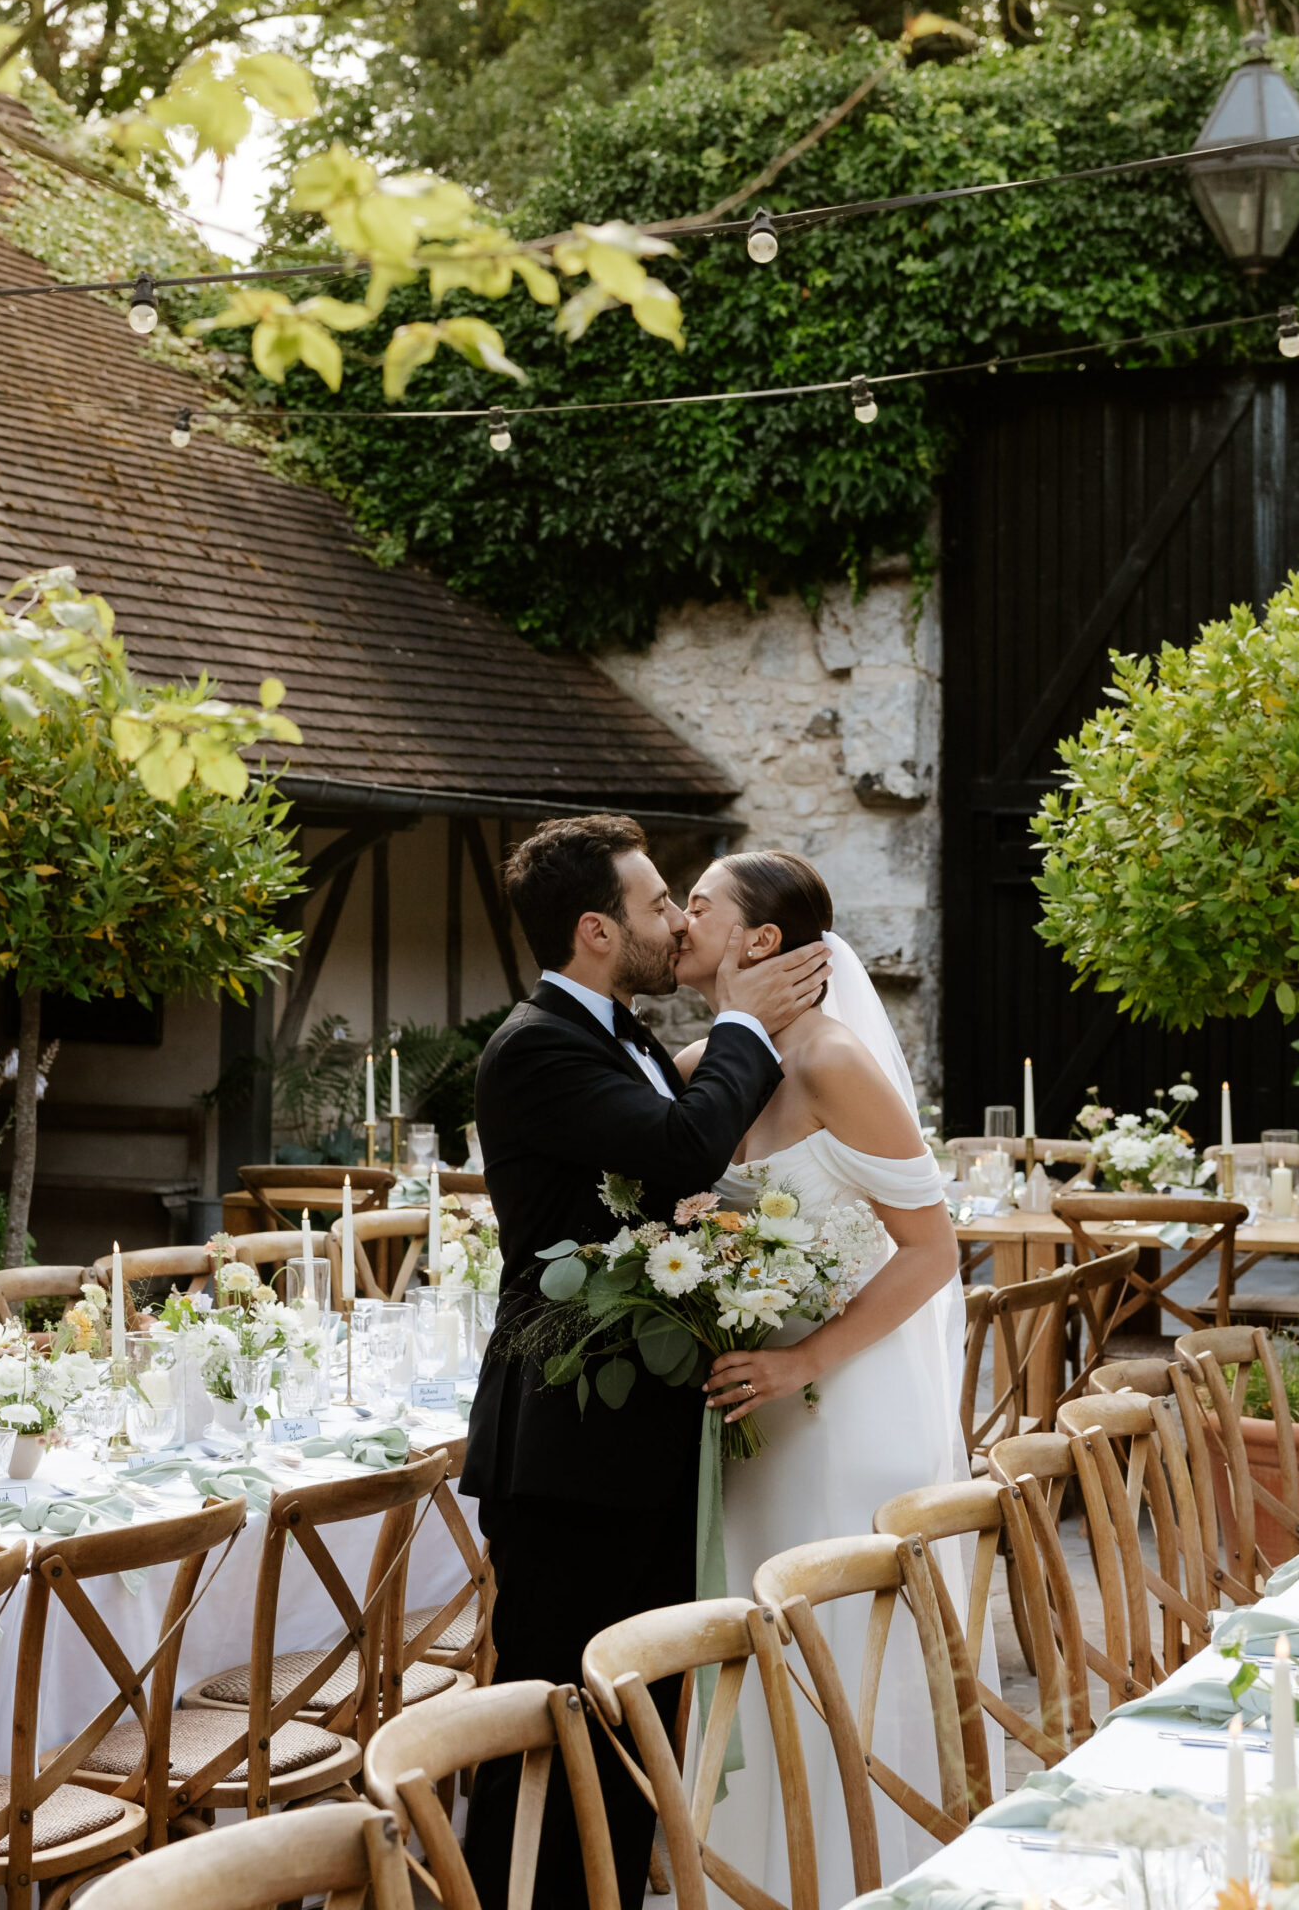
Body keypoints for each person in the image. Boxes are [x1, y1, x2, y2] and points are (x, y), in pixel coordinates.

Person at [461, 815, 832, 1910]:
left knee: (633, 1722)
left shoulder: (614, 1034)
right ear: (594, 930)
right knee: (543, 1721)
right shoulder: (534, 1046)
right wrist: (744, 1027)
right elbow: (680, 1149)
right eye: (657, 904)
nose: (676, 920)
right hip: (567, 1434)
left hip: (649, 1432)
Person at [670, 848, 989, 1909]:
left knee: (825, 1656)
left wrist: (804, 1356)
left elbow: (934, 1251)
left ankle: (849, 1886)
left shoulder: (833, 1061)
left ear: (760, 940)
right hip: (748, 1407)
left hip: (839, 1401)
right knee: (746, 1651)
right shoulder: (702, 1066)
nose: (678, 919)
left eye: (699, 906)